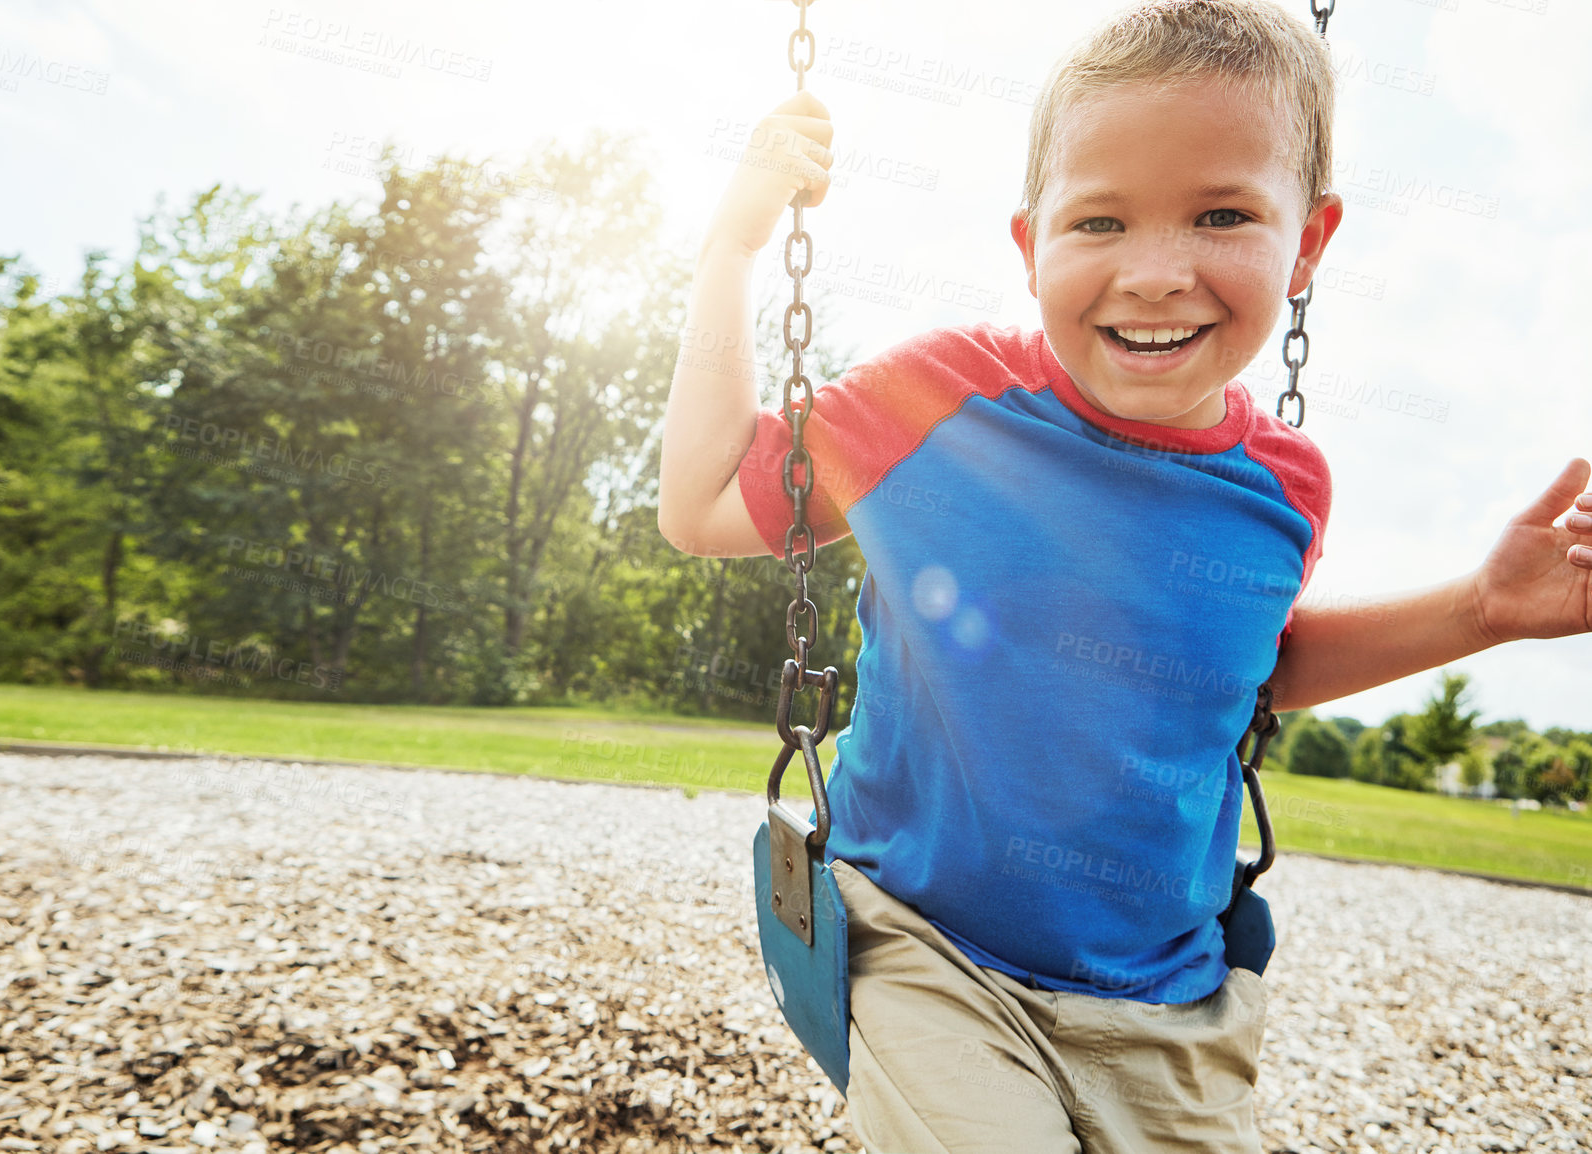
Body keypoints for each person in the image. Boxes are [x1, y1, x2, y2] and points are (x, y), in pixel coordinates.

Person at [656, 1, 1592, 1150]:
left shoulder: (1284, 487)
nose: (1154, 274)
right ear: (1029, 241)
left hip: (1169, 1013)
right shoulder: (931, 405)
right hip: (926, 950)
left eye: (1222, 213)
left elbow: (1238, 670)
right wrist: (733, 246)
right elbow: (699, 503)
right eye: (1098, 219)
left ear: (1308, 243)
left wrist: (1479, 610)